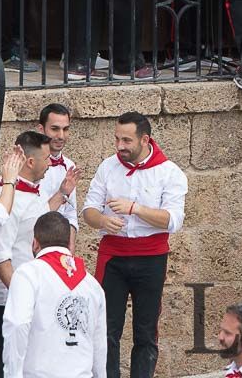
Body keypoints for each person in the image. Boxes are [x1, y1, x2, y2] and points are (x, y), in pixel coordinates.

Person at [81, 112, 187, 378]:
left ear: (145, 140)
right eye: (117, 139)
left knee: (146, 331)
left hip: (151, 258)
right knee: (106, 329)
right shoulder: (107, 167)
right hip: (113, 256)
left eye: (126, 140)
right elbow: (88, 210)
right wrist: (103, 220)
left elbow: (173, 220)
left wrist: (136, 209)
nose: (120, 146)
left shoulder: (169, 172)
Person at [2, 211, 108, 378]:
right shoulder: (92, 285)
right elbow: (100, 343)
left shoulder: (28, 274)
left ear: (35, 243)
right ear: (70, 244)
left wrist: (12, 374)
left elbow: (17, 325)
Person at [0, 131, 52, 378]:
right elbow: (1, 255)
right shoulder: (6, 199)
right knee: (9, 362)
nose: (50, 164)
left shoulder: (36, 191)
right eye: (46, 159)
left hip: (35, 295)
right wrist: (21, 295)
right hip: (10, 299)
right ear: (31, 162)